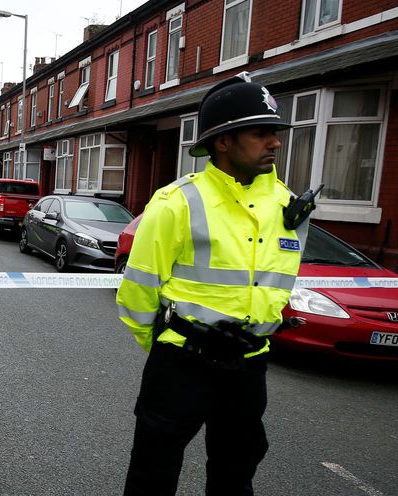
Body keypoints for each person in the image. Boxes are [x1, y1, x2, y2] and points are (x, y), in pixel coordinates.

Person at [117, 73, 309, 496]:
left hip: (249, 364)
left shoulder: (287, 205)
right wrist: (169, 343)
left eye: (275, 133)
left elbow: (276, 284)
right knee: (153, 472)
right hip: (183, 364)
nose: (275, 143)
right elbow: (136, 293)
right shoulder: (177, 202)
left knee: (236, 474)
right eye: (262, 133)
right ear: (223, 141)